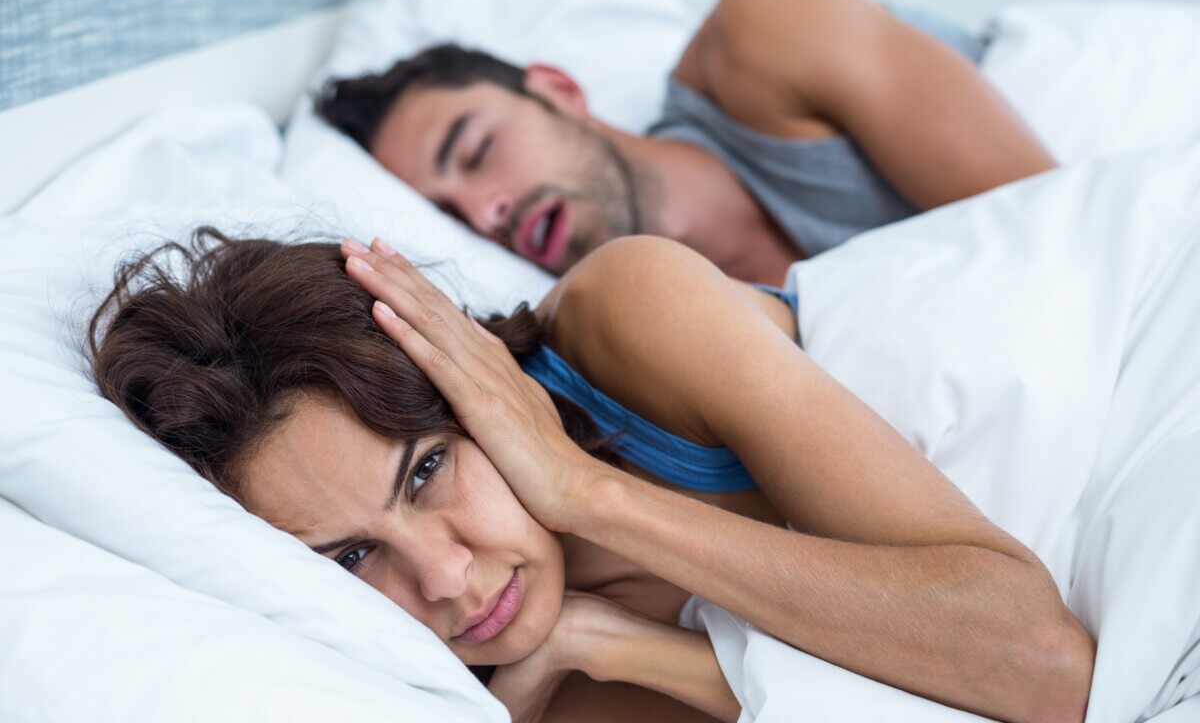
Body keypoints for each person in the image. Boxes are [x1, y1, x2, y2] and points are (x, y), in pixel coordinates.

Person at [89, 228, 1093, 722]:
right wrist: (610, 644)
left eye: (428, 468)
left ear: (477, 380)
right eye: (352, 554)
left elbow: (1046, 666)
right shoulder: (514, 682)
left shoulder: (628, 320)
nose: (442, 578)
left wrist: (585, 488)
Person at [316, 0, 1056, 285]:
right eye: (450, 217)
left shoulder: (763, 39)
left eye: (477, 152)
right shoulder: (641, 340)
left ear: (558, 90)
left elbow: (1064, 232)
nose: (486, 212)